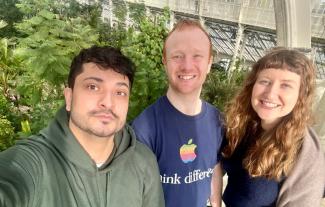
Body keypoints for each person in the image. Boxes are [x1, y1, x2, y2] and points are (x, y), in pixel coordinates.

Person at [0, 46, 164, 207]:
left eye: (120, 92)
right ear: (69, 98)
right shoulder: (34, 163)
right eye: (93, 87)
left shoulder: (143, 162)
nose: (108, 102)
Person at [132, 19, 224, 207]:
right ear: (164, 61)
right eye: (177, 56)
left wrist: (216, 203)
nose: (187, 66)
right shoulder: (145, 128)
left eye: (197, 56)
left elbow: (214, 166)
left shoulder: (217, 121)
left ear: (209, 62)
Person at [221, 48, 325, 207]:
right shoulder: (242, 125)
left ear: (300, 96)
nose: (270, 93)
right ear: (252, 85)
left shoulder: (305, 154)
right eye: (265, 81)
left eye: (286, 85)